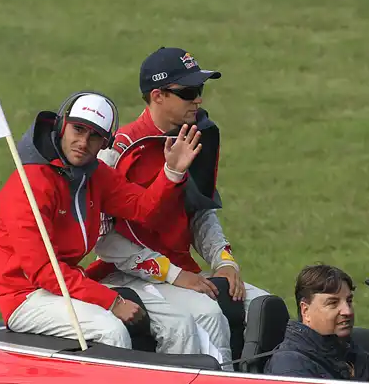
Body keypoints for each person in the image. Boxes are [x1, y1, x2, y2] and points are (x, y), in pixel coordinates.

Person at [86, 47, 268, 362]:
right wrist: (172, 274)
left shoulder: (197, 136)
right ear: (158, 96)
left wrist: (224, 261)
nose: (198, 100)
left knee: (265, 308)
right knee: (207, 315)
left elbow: (199, 211)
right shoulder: (118, 151)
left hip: (183, 269)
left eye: (200, 90)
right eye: (188, 92)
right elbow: (103, 240)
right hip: (126, 273)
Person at [0, 91, 207, 351]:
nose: (83, 142)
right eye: (78, 129)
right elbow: (43, 270)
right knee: (111, 331)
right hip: (26, 297)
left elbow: (144, 209)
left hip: (70, 286)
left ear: (105, 144)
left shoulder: (94, 174)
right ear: (62, 126)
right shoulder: (30, 183)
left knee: (179, 324)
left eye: (94, 136)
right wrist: (112, 302)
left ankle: (179, 379)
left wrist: (172, 172)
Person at [264, 264, 369, 381]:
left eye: (349, 301)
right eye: (333, 303)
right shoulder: (290, 365)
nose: (347, 311)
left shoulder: (353, 355)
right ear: (305, 311)